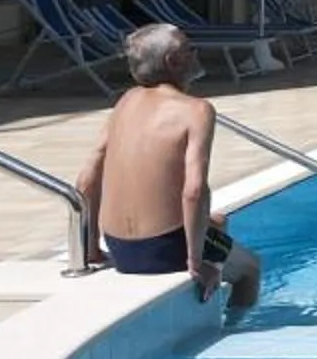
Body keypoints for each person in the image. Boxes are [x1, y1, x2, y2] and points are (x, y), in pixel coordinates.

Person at [74, 24, 259, 308]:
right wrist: (198, 262)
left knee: (218, 221)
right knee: (249, 270)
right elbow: (195, 190)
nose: (196, 54)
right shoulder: (196, 110)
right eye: (190, 49)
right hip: (165, 248)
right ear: (173, 61)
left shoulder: (126, 101)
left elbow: (86, 180)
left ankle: (201, 309)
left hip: (119, 246)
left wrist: (90, 249)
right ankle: (234, 330)